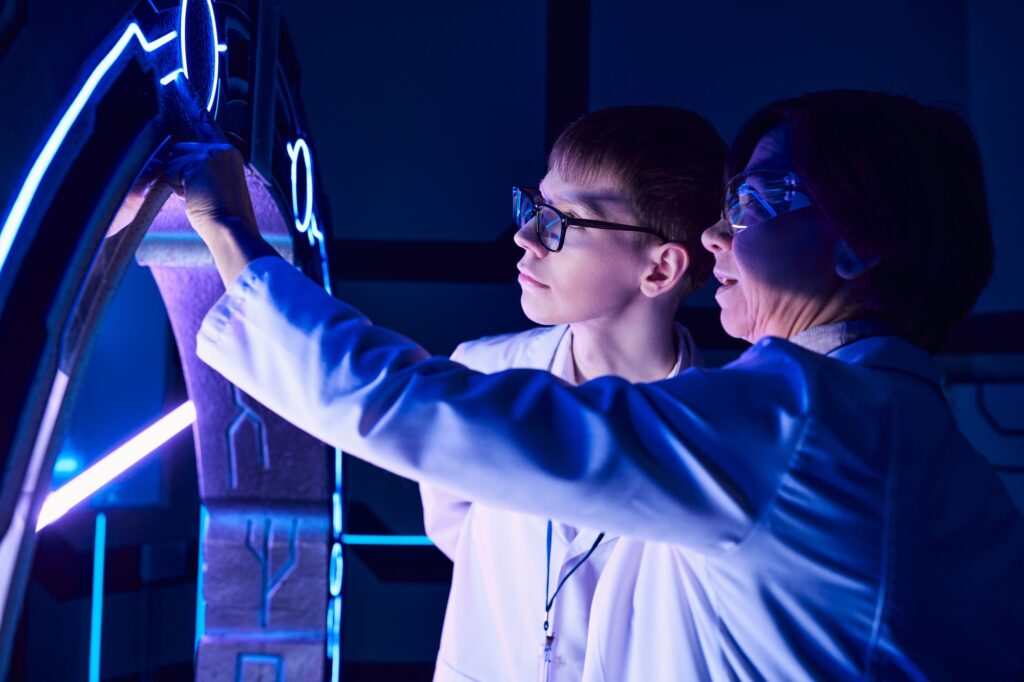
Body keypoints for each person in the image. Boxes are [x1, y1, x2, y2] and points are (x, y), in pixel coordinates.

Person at [171, 89, 1024, 681]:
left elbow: (410, 409)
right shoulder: (944, 471)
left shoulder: (799, 418)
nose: (720, 238)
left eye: (757, 204)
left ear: (856, 246)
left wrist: (230, 239)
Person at [418, 106, 725, 681]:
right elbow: (457, 528)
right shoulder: (480, 372)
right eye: (535, 206)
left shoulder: (719, 436)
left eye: (565, 220)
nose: (526, 236)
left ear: (660, 270)